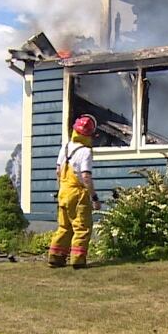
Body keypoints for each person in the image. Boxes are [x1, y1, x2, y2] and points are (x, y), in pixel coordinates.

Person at [49, 114, 100, 269]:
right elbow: (85, 176)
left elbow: (58, 171)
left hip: (63, 192)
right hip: (77, 195)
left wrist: (61, 189)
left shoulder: (65, 148)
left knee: (64, 227)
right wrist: (94, 197)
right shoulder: (86, 152)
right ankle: (78, 260)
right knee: (82, 227)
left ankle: (56, 257)